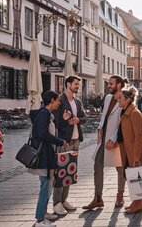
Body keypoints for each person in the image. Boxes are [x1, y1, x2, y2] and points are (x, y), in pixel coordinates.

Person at [82, 75, 128, 210]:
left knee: (120, 168)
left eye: (111, 84)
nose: (108, 86)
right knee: (97, 166)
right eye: (108, 84)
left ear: (119, 85)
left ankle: (120, 196)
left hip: (116, 140)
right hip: (103, 138)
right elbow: (104, 116)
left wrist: (113, 139)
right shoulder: (108, 98)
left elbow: (123, 124)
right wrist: (99, 129)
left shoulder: (125, 99)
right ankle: (98, 198)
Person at [29, 91, 70, 227]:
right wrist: (59, 141)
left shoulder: (47, 115)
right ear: (52, 100)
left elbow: (50, 131)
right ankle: (40, 220)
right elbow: (43, 135)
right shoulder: (43, 114)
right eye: (58, 100)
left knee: (47, 187)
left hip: (48, 154)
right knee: (45, 188)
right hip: (44, 156)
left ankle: (44, 213)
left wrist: (62, 120)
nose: (59, 103)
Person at [117, 86, 142, 214]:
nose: (118, 101)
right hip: (127, 150)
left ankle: (138, 203)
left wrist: (136, 156)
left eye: (120, 99)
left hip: (134, 152)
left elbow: (139, 136)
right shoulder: (125, 112)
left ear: (128, 100)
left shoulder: (134, 113)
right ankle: (136, 201)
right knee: (131, 176)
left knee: (137, 176)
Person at [53, 75, 88, 215]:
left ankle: (64, 200)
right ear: (67, 84)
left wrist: (77, 120)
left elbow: (85, 118)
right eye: (75, 84)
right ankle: (56, 203)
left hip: (76, 140)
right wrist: (64, 119)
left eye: (78, 84)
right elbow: (55, 123)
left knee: (70, 171)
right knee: (61, 171)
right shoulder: (60, 101)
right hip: (64, 140)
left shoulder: (77, 102)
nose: (77, 86)